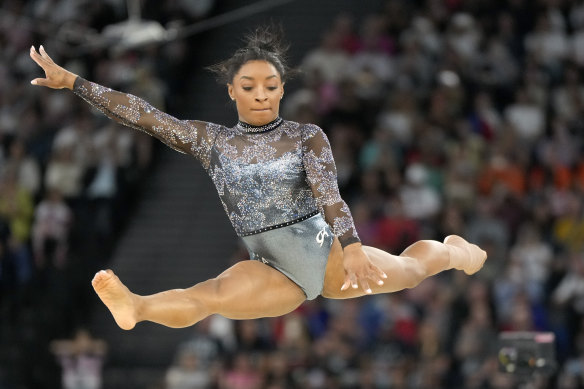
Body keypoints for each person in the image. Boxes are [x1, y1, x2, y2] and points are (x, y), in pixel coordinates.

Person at [29, 26, 487, 331]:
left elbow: (329, 196)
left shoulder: (307, 136)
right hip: (269, 265)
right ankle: (136, 307)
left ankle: (453, 251)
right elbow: (145, 116)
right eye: (248, 87)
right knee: (209, 296)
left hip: (323, 251)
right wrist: (74, 83)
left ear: (283, 89)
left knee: (411, 270)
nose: (261, 95)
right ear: (231, 92)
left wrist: (351, 248)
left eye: (270, 86)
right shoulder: (212, 141)